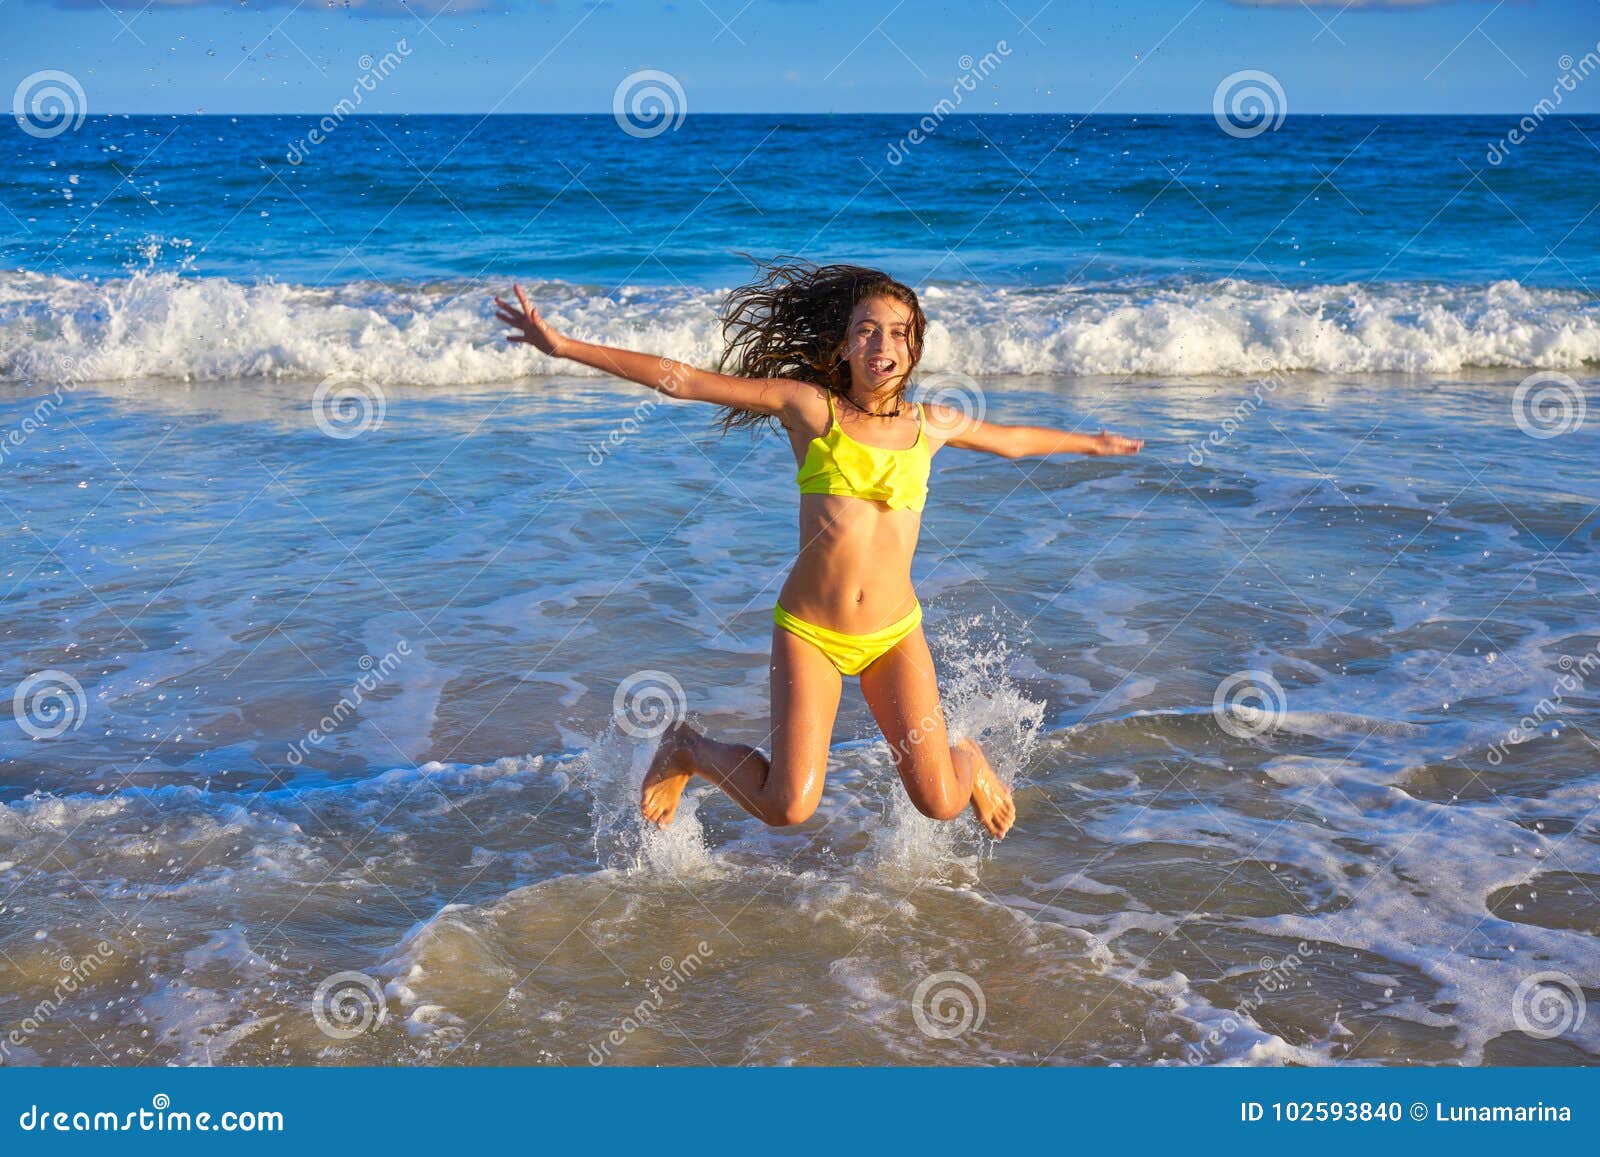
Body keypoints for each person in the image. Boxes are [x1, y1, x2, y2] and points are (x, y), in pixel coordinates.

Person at [494, 259, 1142, 841]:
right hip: (811, 632)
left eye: (897, 331)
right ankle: (687, 747)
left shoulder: (930, 425)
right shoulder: (812, 410)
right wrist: (562, 345)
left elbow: (1014, 441)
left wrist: (1091, 442)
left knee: (941, 801)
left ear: (915, 347)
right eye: (866, 328)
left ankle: (965, 757)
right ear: (844, 344)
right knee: (788, 806)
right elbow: (684, 381)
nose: (881, 343)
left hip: (894, 635)